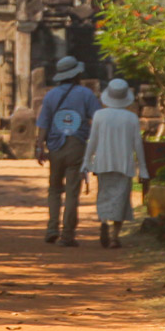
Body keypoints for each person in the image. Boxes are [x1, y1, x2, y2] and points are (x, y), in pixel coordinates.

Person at [34, 56, 101, 247]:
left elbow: (43, 123)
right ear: (77, 74)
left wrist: (40, 146)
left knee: (54, 189)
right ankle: (68, 234)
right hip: (77, 144)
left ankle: (52, 228)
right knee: (72, 191)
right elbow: (97, 118)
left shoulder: (51, 95)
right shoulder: (86, 94)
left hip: (55, 146)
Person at [79, 78, 150, 249]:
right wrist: (143, 168)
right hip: (124, 164)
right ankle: (114, 236)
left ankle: (104, 221)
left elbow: (93, 141)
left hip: (103, 163)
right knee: (121, 199)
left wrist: (86, 162)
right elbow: (137, 145)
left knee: (104, 195)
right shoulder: (131, 118)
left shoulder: (99, 116)